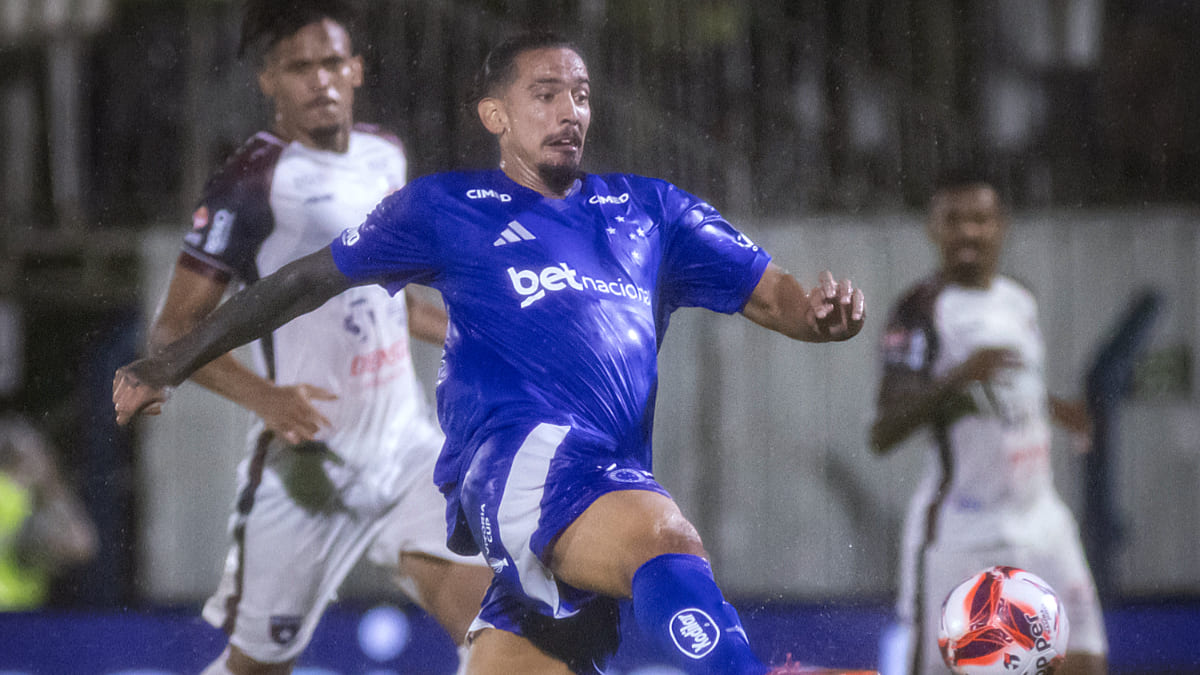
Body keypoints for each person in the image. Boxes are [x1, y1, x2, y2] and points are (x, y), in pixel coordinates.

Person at [115, 31, 867, 675]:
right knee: (664, 536)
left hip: (599, 483)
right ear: (495, 115)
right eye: (546, 93)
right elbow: (303, 281)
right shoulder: (444, 208)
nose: (570, 110)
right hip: (517, 466)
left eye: (581, 94)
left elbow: (776, 296)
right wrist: (169, 361)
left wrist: (821, 314)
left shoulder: (650, 211)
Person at [145, 2, 491, 673]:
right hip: (311, 469)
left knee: (497, 631)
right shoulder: (250, 182)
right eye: (298, 67)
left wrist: (491, 333)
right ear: (267, 81)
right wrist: (266, 398)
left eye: (332, 62)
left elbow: (396, 300)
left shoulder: (384, 154)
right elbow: (172, 331)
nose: (320, 80)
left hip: (405, 448)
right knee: (259, 665)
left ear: (357, 68)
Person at [869, 171, 1108, 675]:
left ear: (1001, 225)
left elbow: (1010, 384)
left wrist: (1054, 408)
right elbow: (882, 433)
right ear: (933, 229)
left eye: (979, 219)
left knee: (1084, 660)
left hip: (1041, 518)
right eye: (953, 220)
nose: (968, 233)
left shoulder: (1019, 297)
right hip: (961, 527)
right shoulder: (921, 311)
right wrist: (957, 378)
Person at [0, 412, 97, 610]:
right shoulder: (16, 494)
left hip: (22, 617)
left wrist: (50, 483)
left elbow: (83, 545)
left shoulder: (36, 498)